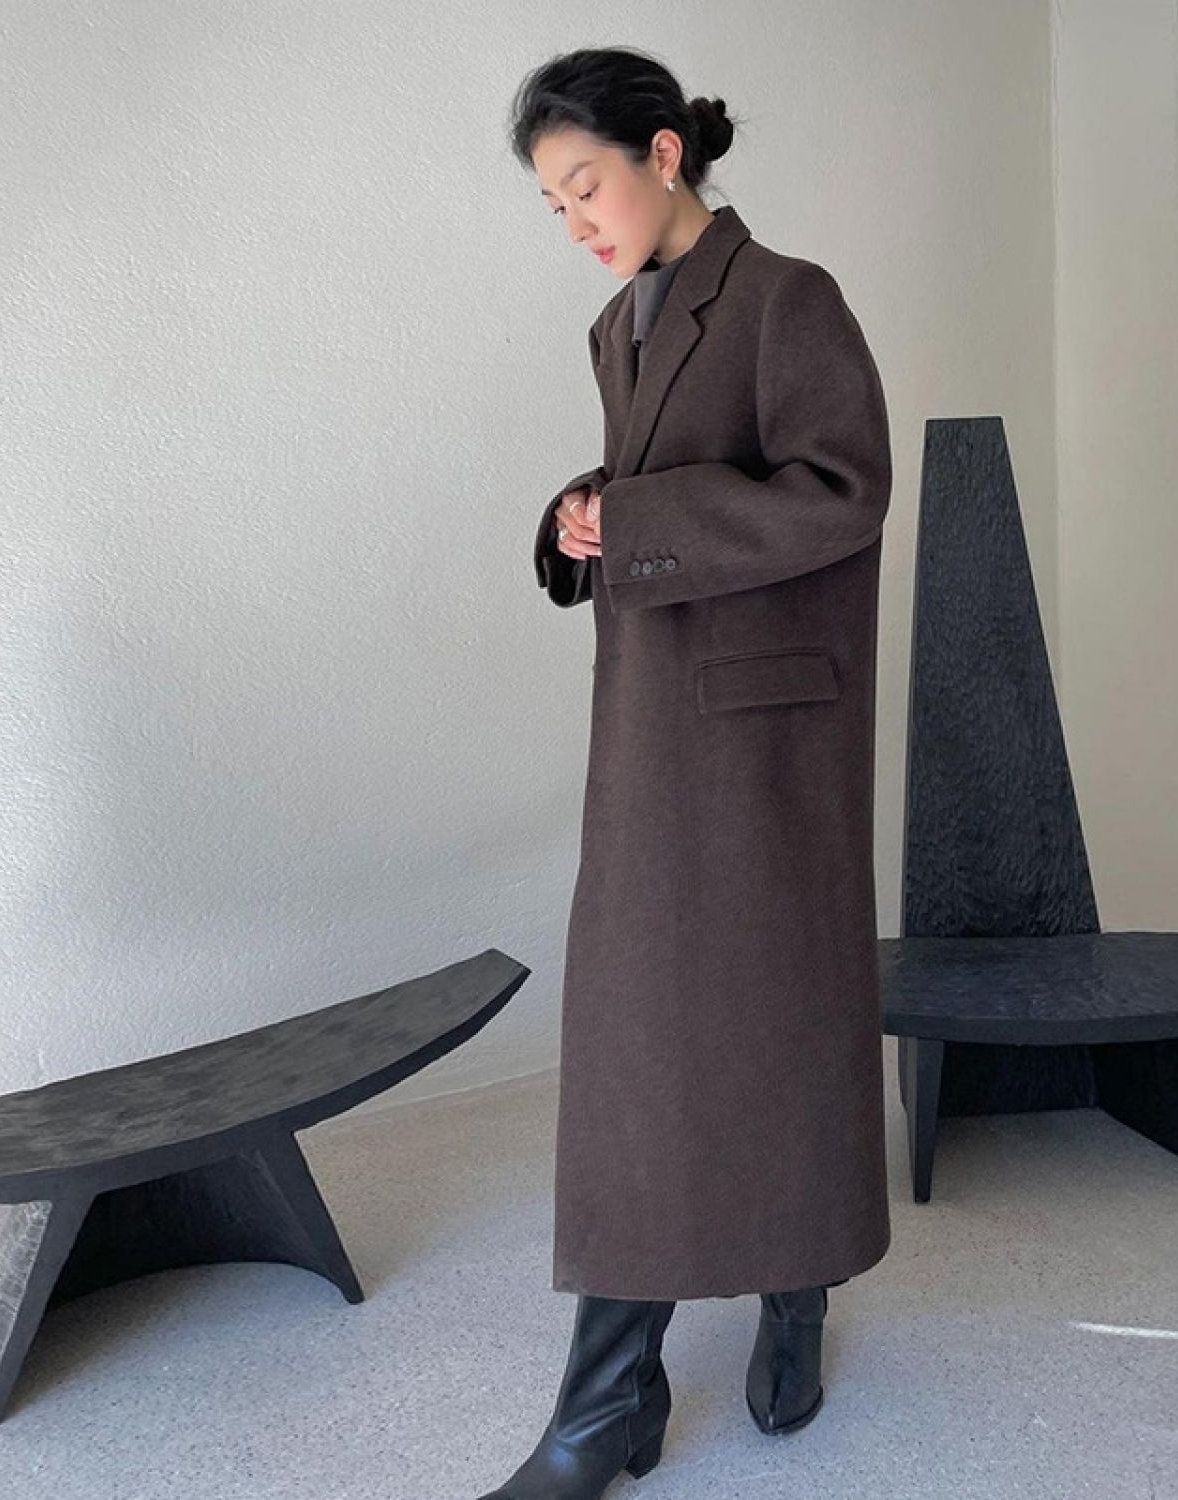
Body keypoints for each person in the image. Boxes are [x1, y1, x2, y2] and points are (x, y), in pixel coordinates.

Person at [482, 45, 894, 1499]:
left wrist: (644, 516)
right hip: (653, 724)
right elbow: (660, 487)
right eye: (553, 204)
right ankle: (612, 1400)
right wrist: (585, 513)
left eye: (584, 185)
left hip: (768, 740)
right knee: (641, 1046)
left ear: (664, 153)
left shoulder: (789, 297)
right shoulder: (618, 326)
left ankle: (795, 1298)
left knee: (779, 1023)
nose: (575, 222)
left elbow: (843, 492)